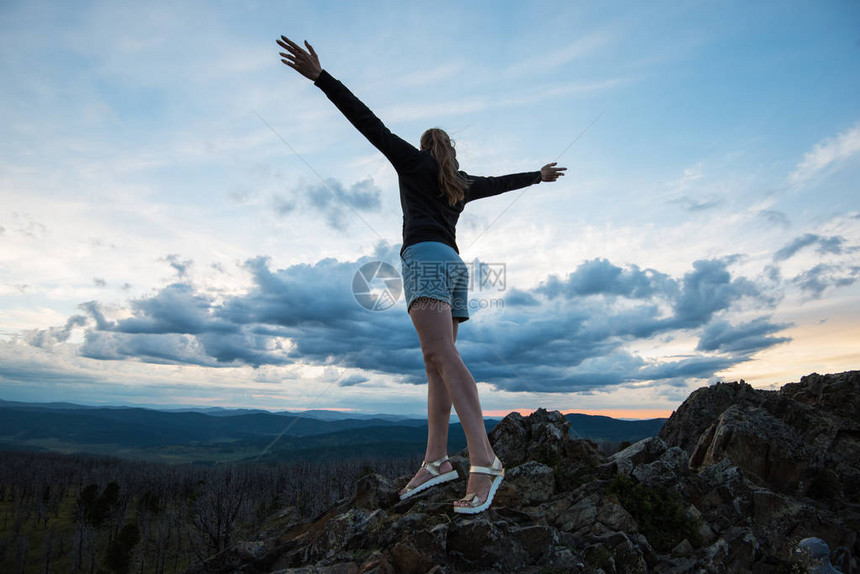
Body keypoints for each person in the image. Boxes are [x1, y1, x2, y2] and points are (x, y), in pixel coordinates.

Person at [277, 36, 566, 514]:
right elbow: (499, 184)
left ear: (425, 147)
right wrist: (536, 176)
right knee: (438, 362)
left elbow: (368, 123)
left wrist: (321, 79)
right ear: (451, 150)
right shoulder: (461, 183)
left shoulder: (413, 163)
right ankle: (436, 461)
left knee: (439, 355)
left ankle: (484, 459)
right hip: (455, 267)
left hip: (427, 261)